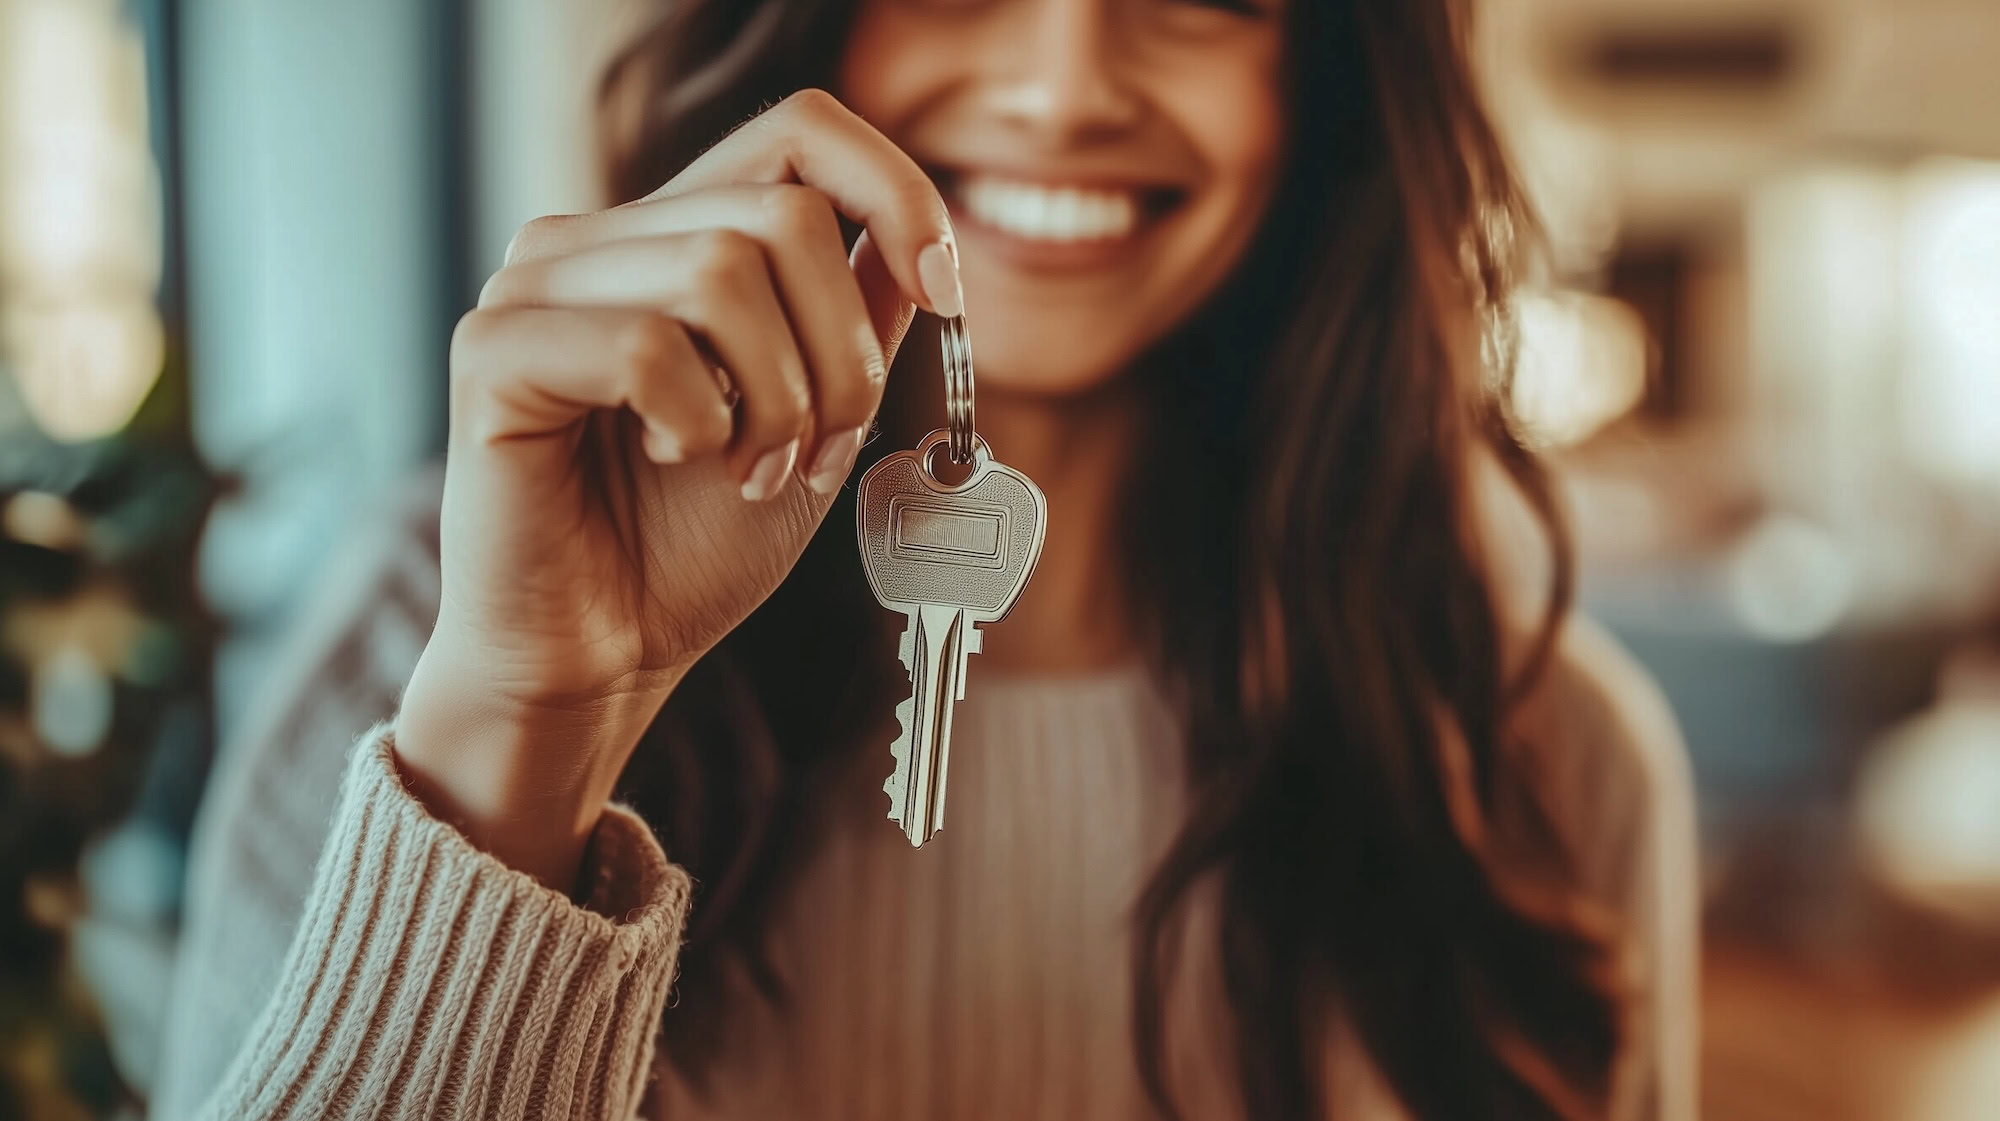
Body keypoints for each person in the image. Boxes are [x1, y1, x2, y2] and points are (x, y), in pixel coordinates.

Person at [152, 0, 1699, 1118]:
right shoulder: (430, 639)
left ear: (1329, 64)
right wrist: (534, 725)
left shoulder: (1547, 760)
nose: (1064, 80)